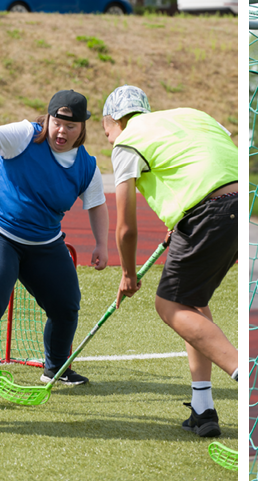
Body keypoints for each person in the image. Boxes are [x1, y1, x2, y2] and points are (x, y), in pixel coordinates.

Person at [0, 89, 109, 392]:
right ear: (49, 118)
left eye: (71, 125)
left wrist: (102, 243)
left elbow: (97, 205)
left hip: (43, 241)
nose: (62, 131)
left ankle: (56, 368)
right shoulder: (26, 135)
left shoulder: (87, 166)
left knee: (66, 304)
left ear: (82, 127)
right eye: (57, 122)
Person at [100, 85, 239, 438]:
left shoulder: (126, 141)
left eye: (105, 130)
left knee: (170, 306)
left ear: (111, 121)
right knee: (193, 303)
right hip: (242, 203)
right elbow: (208, 155)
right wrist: (180, 220)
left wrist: (128, 275)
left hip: (208, 212)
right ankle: (203, 408)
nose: (106, 137)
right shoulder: (191, 114)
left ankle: (247, 374)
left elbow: (126, 227)